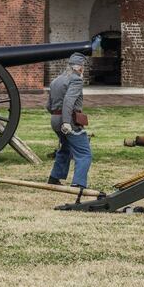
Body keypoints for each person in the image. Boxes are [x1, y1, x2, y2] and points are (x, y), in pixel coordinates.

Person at [47, 53, 93, 189]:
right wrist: (66, 122)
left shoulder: (56, 80)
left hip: (55, 120)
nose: (83, 70)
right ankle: (78, 184)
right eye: (83, 67)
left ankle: (54, 178)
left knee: (66, 148)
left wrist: (58, 116)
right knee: (84, 153)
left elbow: (48, 106)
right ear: (79, 68)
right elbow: (69, 101)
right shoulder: (76, 80)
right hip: (69, 121)